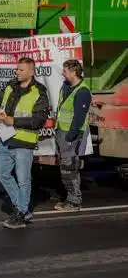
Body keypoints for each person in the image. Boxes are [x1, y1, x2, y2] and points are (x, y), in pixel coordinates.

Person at [0, 57, 50, 229]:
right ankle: (21, 206)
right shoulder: (11, 85)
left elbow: (39, 120)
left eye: (21, 70)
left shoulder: (39, 91)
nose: (17, 72)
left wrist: (15, 121)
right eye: (17, 69)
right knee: (1, 173)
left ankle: (21, 212)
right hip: (5, 140)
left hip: (24, 142)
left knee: (23, 180)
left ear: (31, 72)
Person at [54, 59, 92, 212]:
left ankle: (74, 201)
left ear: (73, 72)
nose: (62, 74)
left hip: (70, 135)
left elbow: (79, 118)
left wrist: (70, 137)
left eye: (64, 71)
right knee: (65, 167)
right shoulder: (66, 87)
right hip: (61, 132)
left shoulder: (82, 91)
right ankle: (69, 197)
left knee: (69, 168)